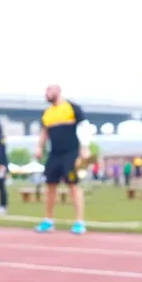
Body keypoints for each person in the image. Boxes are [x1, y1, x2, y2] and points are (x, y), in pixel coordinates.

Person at [33, 84, 88, 235]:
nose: (46, 94)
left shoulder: (72, 108)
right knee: (50, 185)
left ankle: (79, 222)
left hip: (71, 153)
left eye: (49, 91)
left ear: (57, 91)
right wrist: (39, 147)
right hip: (54, 154)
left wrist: (84, 147)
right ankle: (48, 220)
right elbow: (44, 132)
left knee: (73, 185)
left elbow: (84, 127)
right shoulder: (47, 113)